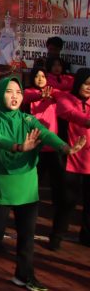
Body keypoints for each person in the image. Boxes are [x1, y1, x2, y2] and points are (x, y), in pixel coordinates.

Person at [0, 76, 84, 291]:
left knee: (27, 237)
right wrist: (19, 146)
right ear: (0, 95)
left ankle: (24, 274)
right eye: (9, 92)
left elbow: (46, 134)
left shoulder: (27, 119)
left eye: (18, 92)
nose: (15, 96)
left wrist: (65, 148)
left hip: (27, 187)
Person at [48, 68, 90, 249]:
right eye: (86, 84)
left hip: (89, 159)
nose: (89, 88)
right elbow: (70, 114)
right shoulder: (66, 99)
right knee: (67, 201)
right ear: (78, 82)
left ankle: (86, 236)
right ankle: (56, 236)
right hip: (70, 157)